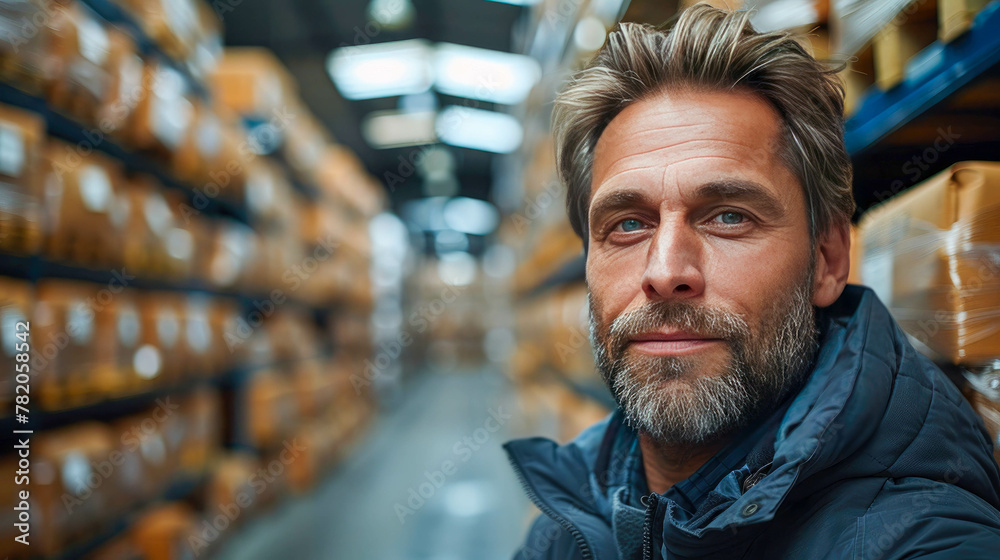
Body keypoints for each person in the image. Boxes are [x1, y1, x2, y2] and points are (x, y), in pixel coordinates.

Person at [503, 4, 1000, 559]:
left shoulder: (918, 539)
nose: (665, 272)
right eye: (628, 225)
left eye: (729, 217)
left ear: (828, 259)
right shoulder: (575, 514)